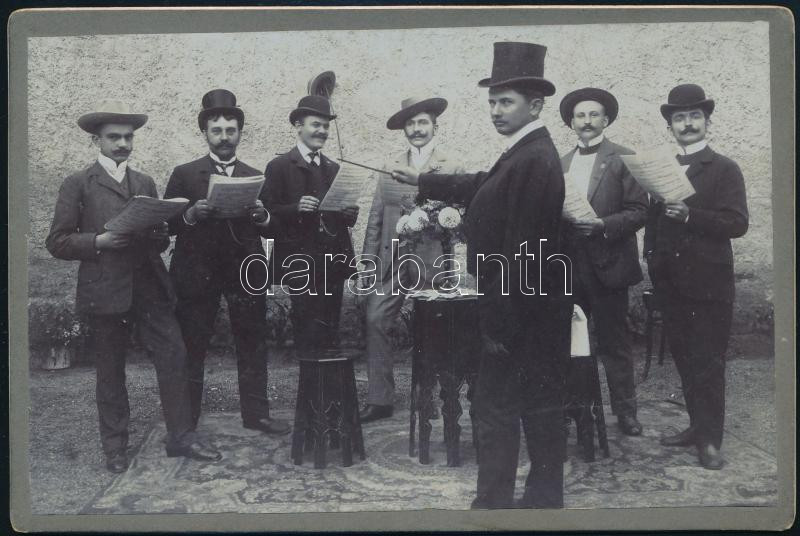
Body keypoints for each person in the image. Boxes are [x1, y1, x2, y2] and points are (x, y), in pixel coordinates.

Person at [392, 42, 573, 509]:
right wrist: (424, 180)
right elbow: (483, 185)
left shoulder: (534, 159)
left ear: (536, 105)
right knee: (536, 404)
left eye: (505, 102)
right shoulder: (524, 152)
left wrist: (496, 324)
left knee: (495, 409)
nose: (495, 111)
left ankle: (494, 507)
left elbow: (523, 252)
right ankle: (542, 500)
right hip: (531, 310)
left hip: (518, 311)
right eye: (492, 101)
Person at [46, 100, 221, 473]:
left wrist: (159, 230)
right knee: (110, 370)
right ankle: (115, 448)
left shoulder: (144, 182)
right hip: (105, 289)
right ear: (96, 141)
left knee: (175, 356)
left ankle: (181, 437)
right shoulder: (79, 183)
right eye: (114, 137)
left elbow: (159, 239)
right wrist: (99, 241)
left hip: (149, 287)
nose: (123, 144)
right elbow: (57, 242)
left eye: (128, 137)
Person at [164, 89, 290, 436]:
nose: (224, 137)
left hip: (245, 269)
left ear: (240, 133)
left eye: (230, 130)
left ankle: (257, 415)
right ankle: (187, 422)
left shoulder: (254, 175)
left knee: (252, 342)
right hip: (196, 271)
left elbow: (274, 227)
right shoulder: (185, 174)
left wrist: (263, 215)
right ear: (204, 132)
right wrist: (191, 214)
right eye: (217, 130)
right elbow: (167, 224)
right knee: (192, 345)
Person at [644, 83, 749, 470]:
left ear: (707, 121)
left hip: (708, 285)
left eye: (694, 117)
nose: (687, 124)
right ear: (670, 126)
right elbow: (653, 224)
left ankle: (710, 441)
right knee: (684, 359)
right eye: (679, 118)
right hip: (671, 284)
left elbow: (737, 223)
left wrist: (691, 216)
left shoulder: (724, 168)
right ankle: (695, 426)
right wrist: (652, 260)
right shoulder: (662, 169)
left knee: (707, 363)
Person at [359, 96, 465, 423]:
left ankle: (435, 397)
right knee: (376, 319)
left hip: (434, 262)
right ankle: (380, 399)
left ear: (435, 126)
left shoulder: (451, 166)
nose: (417, 129)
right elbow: (376, 219)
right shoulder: (389, 168)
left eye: (423, 122)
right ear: (404, 129)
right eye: (411, 124)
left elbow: (463, 217)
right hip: (393, 260)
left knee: (436, 328)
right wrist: (368, 263)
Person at [559, 87, 648, 436]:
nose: (587, 121)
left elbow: (639, 211)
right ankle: (573, 408)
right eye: (580, 115)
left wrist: (602, 225)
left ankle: (626, 412)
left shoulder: (624, 158)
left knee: (615, 343)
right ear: (571, 123)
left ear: (606, 120)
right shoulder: (561, 163)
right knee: (571, 340)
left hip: (610, 265)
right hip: (570, 266)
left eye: (594, 114)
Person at [263, 95, 359, 362]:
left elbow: (341, 217)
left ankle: (331, 386)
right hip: (300, 260)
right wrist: (295, 207)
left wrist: (349, 214)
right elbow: (266, 212)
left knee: (330, 326)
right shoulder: (279, 166)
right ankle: (310, 386)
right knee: (307, 327)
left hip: (333, 259)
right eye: (316, 125)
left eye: (326, 126)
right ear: (298, 126)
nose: (322, 131)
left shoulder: (333, 167)